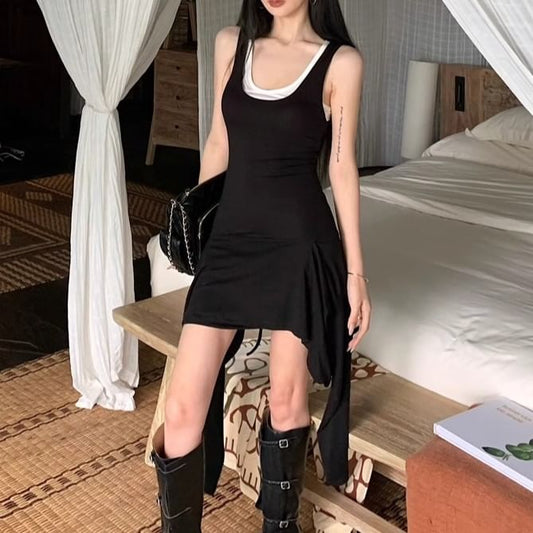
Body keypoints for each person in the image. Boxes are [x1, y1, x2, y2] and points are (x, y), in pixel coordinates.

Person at [150, 0, 370, 531]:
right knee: (181, 409)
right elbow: (218, 141)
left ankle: (281, 525)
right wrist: (199, 230)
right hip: (231, 241)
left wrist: (355, 273)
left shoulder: (340, 62)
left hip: (300, 244)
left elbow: (342, 167)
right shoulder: (231, 44)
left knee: (288, 398)